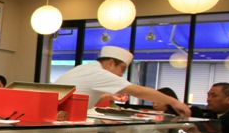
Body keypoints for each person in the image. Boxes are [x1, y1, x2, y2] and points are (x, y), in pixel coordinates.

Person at [53, 46, 190, 117]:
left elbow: (82, 95)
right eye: (122, 69)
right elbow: (138, 91)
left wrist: (109, 96)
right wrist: (174, 102)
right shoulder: (98, 73)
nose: (121, 75)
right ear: (110, 63)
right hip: (59, 122)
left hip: (58, 119)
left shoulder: (86, 68)